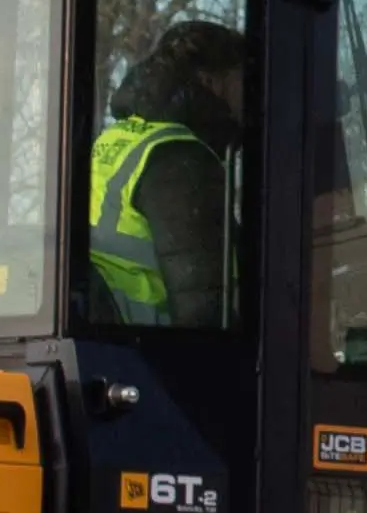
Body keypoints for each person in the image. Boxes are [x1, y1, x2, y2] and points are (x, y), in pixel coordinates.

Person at [86, 19, 250, 324]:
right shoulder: (179, 158)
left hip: (109, 340)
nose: (251, 99)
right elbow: (204, 307)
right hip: (147, 353)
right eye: (242, 81)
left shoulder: (116, 141)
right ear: (211, 80)